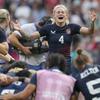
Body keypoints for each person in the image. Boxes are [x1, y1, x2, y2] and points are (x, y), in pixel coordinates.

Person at [31, 4, 96, 74]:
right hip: (52, 61)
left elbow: (89, 31)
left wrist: (92, 22)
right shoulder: (48, 28)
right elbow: (31, 36)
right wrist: (21, 31)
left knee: (65, 81)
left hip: (66, 61)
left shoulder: (72, 27)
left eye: (62, 12)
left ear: (66, 15)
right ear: (54, 15)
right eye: (58, 12)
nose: (60, 14)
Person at [0, 53, 76, 100]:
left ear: (48, 64)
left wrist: (8, 97)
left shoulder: (40, 74)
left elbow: (23, 96)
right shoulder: (71, 81)